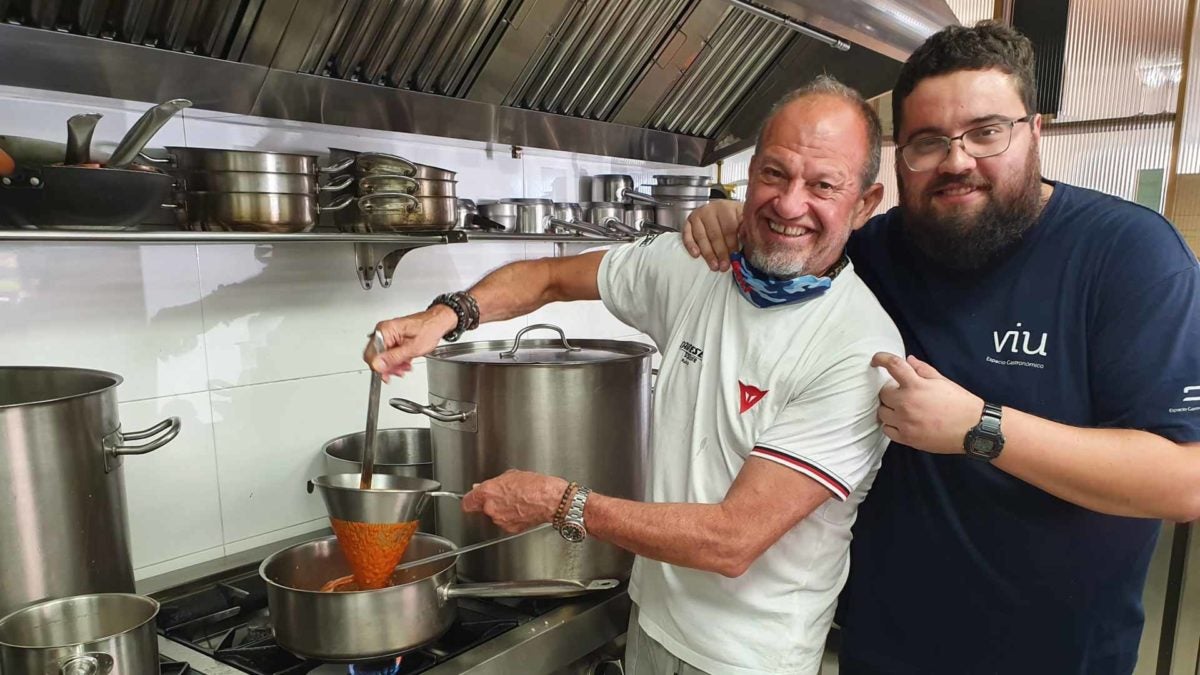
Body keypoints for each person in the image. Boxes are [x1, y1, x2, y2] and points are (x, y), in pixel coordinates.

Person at [683, 21, 1200, 675]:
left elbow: (1185, 480)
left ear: (1034, 130)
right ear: (899, 159)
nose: (957, 161)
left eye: (986, 132)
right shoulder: (870, 252)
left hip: (1060, 658)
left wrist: (979, 427)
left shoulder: (1128, 256)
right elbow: (787, 235)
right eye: (927, 142)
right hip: (880, 647)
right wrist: (730, 218)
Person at [364, 76, 903, 675]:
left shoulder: (858, 349)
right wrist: (445, 317)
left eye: (823, 185)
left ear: (864, 203)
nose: (790, 203)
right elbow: (546, 277)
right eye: (774, 174)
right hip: (651, 623)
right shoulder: (697, 266)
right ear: (749, 176)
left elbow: (730, 541)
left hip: (747, 660)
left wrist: (556, 502)